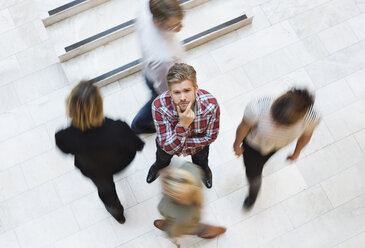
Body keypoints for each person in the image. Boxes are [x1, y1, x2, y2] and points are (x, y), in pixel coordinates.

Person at [55, 81, 145, 223]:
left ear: (70, 106)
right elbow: (137, 145)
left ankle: (117, 213)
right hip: (118, 163)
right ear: (99, 105)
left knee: (105, 190)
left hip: (93, 169)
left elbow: (65, 150)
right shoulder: (117, 128)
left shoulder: (63, 136)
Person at [233, 88, 320, 209]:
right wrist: (237, 145)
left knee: (256, 171)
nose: (275, 126)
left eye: (282, 125)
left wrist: (297, 152)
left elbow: (306, 136)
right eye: (273, 119)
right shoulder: (258, 108)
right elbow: (244, 126)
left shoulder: (311, 117)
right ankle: (253, 195)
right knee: (253, 173)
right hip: (253, 145)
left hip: (277, 146)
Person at [146, 63, 220, 189]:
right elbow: (166, 146)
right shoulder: (159, 106)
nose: (183, 98)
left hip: (199, 148)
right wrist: (183, 125)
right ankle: (157, 167)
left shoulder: (211, 105)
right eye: (177, 92)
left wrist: (183, 142)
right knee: (162, 159)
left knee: (201, 162)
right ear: (170, 93)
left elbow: (211, 137)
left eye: (187, 90)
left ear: (196, 89)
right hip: (169, 147)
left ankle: (204, 171)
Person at [131, 0, 185, 134]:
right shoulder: (163, 59)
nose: (180, 28)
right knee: (156, 101)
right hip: (160, 79)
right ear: (157, 22)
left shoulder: (145, 7)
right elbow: (165, 91)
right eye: (173, 26)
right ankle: (139, 124)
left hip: (151, 71)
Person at [154, 162, 226, 239]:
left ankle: (208, 230)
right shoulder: (191, 169)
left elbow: (175, 231)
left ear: (176, 196)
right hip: (188, 217)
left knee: (190, 228)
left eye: (166, 189)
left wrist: (169, 231)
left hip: (183, 223)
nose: (164, 189)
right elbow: (190, 166)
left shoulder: (182, 216)